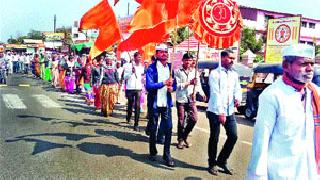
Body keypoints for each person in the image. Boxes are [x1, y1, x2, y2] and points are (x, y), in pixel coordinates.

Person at [247, 44, 320, 179]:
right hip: (282, 174)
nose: (310, 68)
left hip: (310, 172)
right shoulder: (272, 95)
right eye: (303, 64)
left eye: (312, 63)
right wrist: (258, 176)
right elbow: (261, 142)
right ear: (286, 65)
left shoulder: (315, 93)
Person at [207, 50, 242, 176]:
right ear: (222, 58)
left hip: (230, 110)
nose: (232, 60)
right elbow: (215, 94)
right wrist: (220, 112)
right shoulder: (215, 74)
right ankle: (212, 164)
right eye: (230, 58)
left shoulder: (234, 74)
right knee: (214, 138)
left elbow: (237, 89)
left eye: (234, 58)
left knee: (233, 136)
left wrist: (238, 97)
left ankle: (222, 160)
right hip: (215, 111)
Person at [146, 44, 176, 167]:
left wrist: (171, 88)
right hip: (154, 103)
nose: (165, 54)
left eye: (166, 52)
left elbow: (174, 85)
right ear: (157, 54)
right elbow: (149, 86)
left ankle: (167, 154)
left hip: (166, 103)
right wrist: (163, 83)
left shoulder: (170, 67)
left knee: (168, 128)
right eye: (162, 52)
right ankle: (152, 151)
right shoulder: (151, 69)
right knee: (153, 128)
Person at [174, 53, 206, 149]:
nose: (188, 62)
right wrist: (189, 83)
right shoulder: (177, 71)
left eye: (190, 60)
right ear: (183, 61)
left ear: (192, 61)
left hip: (191, 98)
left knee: (194, 119)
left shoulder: (194, 72)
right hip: (181, 99)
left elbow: (198, 84)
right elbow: (178, 86)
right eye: (186, 60)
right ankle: (180, 140)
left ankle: (185, 136)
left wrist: (202, 94)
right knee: (181, 120)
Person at [123, 52, 145, 131]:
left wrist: (144, 81)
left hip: (138, 88)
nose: (139, 59)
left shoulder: (142, 67)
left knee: (137, 106)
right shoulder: (129, 66)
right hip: (130, 88)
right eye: (138, 57)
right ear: (134, 58)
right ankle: (128, 116)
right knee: (130, 104)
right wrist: (131, 73)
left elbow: (143, 78)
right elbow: (124, 77)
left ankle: (136, 124)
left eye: (140, 57)